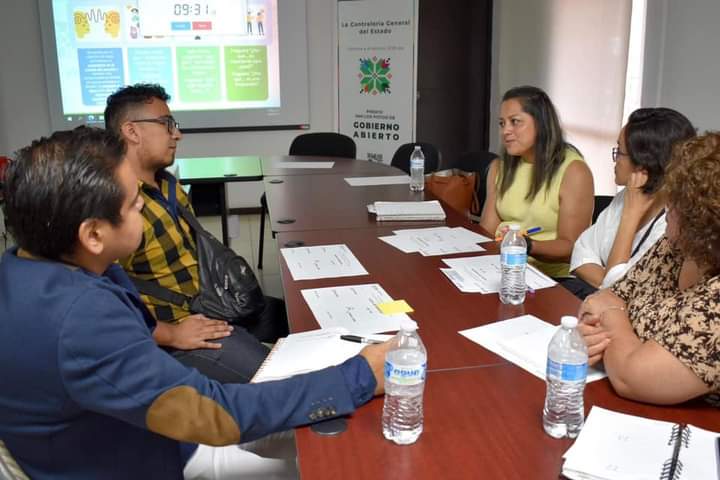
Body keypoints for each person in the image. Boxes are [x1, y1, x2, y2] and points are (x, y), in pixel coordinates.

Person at [0, 127, 390, 479]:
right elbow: (213, 414)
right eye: (134, 204)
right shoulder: (81, 317)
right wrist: (360, 375)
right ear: (93, 235)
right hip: (157, 454)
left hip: (143, 432)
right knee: (346, 454)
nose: (143, 207)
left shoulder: (29, 265)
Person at [105, 83, 286, 384]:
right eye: (166, 124)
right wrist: (170, 334)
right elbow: (105, 301)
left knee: (301, 321)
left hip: (210, 301)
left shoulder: (168, 184)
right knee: (277, 377)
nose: (177, 134)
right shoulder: (115, 204)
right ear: (132, 131)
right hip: (178, 328)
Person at [579, 132, 720, 405]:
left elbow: (631, 377)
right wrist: (598, 331)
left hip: (681, 424)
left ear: (701, 223)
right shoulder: (676, 245)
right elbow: (607, 295)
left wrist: (611, 317)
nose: (666, 211)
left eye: (675, 204)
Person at [566, 108, 695, 298]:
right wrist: (610, 282)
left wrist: (631, 215)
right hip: (601, 300)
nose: (615, 160)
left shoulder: (675, 222)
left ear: (643, 164)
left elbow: (620, 291)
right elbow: (582, 252)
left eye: (619, 152)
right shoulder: (626, 195)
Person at [479, 86, 594, 278]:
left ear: (541, 123)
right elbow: (487, 233)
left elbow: (571, 248)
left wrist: (525, 245)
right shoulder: (499, 167)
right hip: (503, 268)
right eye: (502, 123)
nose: (506, 131)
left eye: (515, 122)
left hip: (554, 278)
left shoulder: (574, 171)